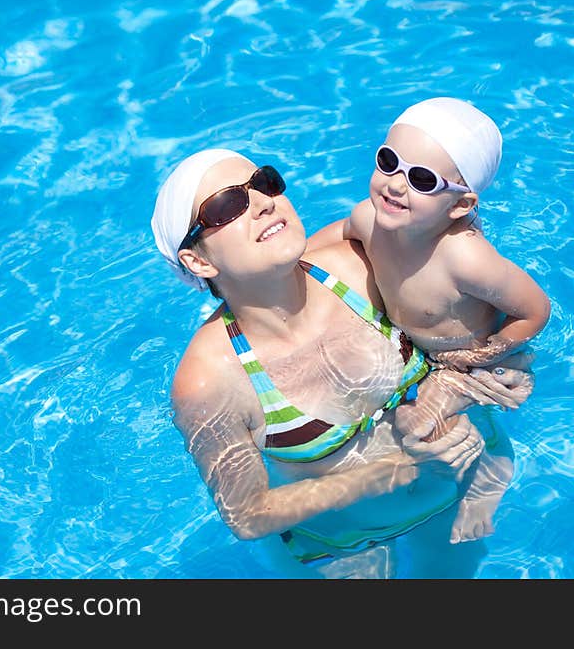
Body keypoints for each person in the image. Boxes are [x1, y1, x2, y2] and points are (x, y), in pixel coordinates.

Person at [151, 147, 534, 577]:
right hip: (350, 544)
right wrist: (396, 469)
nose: (263, 202)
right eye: (227, 206)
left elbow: (493, 340)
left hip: (466, 487)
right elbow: (248, 514)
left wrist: (459, 388)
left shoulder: (364, 265)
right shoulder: (209, 380)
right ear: (198, 261)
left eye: (264, 182)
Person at [307, 97, 552, 543]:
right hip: (418, 352)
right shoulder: (370, 218)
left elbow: (535, 310)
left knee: (416, 424)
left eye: (421, 179)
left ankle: (490, 470)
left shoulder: (464, 258)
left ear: (460, 206)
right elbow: (333, 236)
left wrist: (482, 355)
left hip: (469, 360)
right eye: (388, 162)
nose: (396, 185)